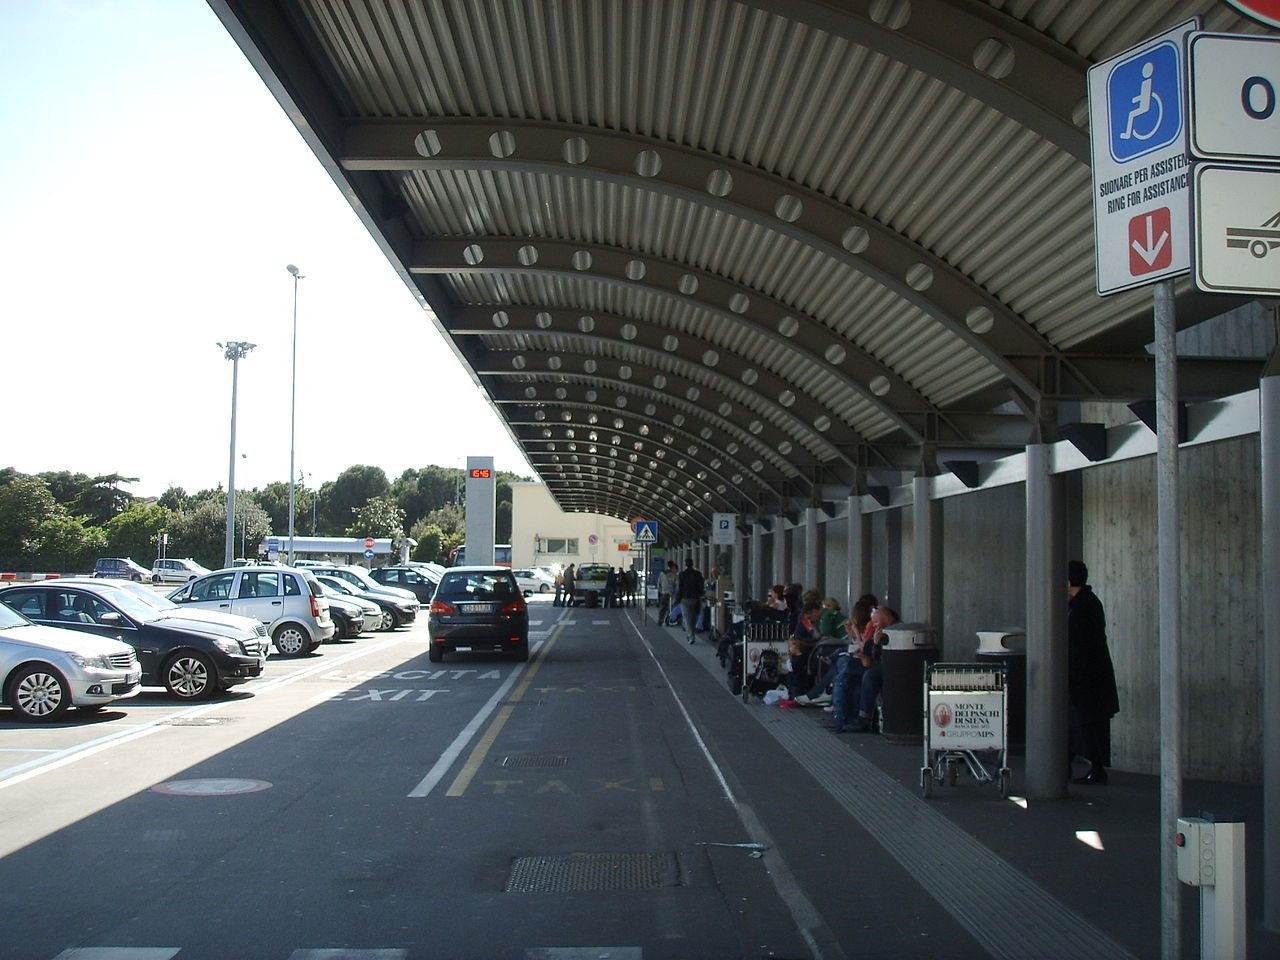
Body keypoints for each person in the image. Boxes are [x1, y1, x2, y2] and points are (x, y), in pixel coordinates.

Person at [1067, 560, 1119, 785]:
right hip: (1094, 674)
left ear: (1068, 582)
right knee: (1087, 723)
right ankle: (1090, 768)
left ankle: (1095, 769)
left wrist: (1073, 671)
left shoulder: (1081, 607)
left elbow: (1080, 644)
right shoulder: (1089, 602)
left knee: (1085, 722)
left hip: (1086, 676)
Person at [676, 557, 705, 645]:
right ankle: (692, 634)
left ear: (685, 564)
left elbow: (680, 588)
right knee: (694, 618)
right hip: (696, 599)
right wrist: (700, 595)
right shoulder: (698, 574)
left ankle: (691, 636)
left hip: (685, 599)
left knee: (687, 618)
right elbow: (701, 586)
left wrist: (678, 599)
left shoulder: (682, 575)